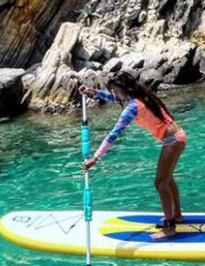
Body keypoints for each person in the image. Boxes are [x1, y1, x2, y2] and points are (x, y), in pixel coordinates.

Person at [80, 71, 187, 239]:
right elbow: (114, 98)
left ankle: (170, 225)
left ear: (125, 89)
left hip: (173, 141)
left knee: (160, 182)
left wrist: (96, 157)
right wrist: (94, 92)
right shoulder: (138, 96)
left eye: (116, 90)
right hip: (177, 138)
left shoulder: (132, 108)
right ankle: (177, 216)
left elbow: (113, 135)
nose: (115, 94)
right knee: (167, 179)